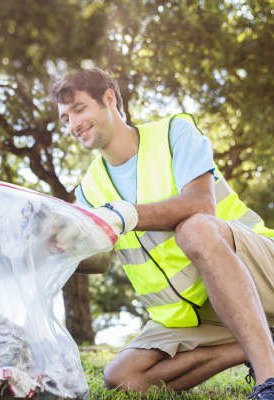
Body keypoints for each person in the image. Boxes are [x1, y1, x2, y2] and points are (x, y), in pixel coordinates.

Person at [50, 67, 274, 398]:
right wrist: (48, 249)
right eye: (65, 118)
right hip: (201, 312)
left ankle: (268, 380)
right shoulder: (89, 191)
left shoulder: (174, 133)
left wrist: (124, 215)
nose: (73, 124)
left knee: (195, 228)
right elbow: (98, 262)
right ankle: (258, 343)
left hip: (261, 274)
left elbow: (201, 205)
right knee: (122, 377)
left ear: (109, 99)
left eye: (79, 109)